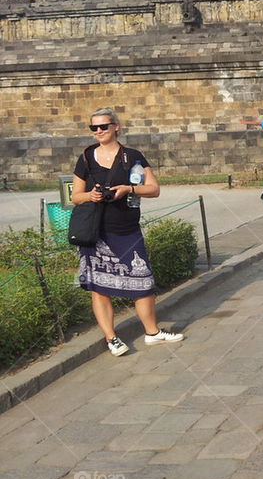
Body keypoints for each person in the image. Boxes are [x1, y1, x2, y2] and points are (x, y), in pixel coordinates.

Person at [71, 108, 183, 357]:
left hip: (126, 228)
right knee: (99, 287)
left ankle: (152, 332)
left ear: (116, 127)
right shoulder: (86, 158)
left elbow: (153, 189)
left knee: (143, 281)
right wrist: (91, 195)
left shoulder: (132, 157)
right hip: (95, 232)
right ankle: (111, 338)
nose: (99, 131)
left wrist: (129, 189)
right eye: (94, 128)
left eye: (104, 126)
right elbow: (75, 196)